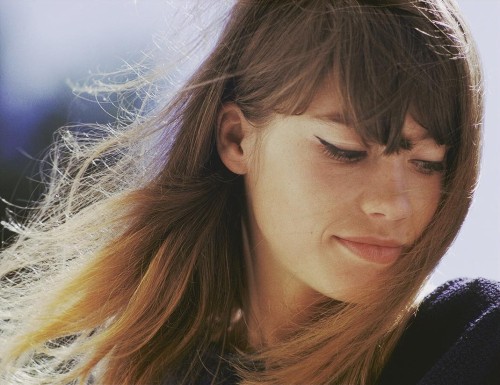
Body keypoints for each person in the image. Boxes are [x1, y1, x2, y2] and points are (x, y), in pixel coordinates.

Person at [0, 1, 498, 384]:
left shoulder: (477, 344)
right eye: (346, 150)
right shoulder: (151, 371)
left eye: (428, 163)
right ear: (235, 138)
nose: (395, 203)